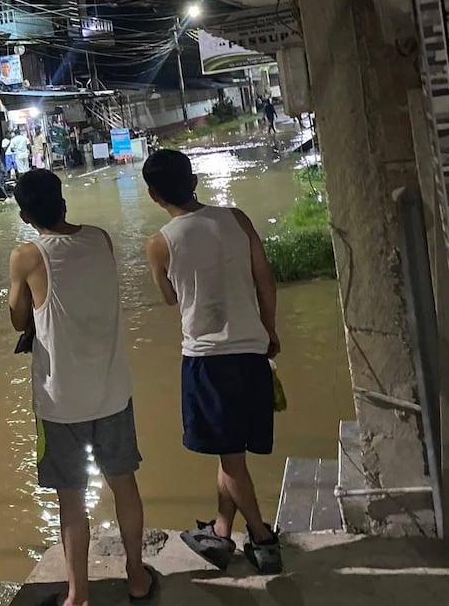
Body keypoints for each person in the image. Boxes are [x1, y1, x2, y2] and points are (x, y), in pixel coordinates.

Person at [7, 169, 157, 605]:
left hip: (60, 402)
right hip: (112, 391)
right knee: (124, 484)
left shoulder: (27, 256)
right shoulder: (101, 239)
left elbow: (19, 319)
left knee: (71, 500)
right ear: (63, 202)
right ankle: (136, 576)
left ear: (23, 214)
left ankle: (78, 595)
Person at [141, 148, 282, 575]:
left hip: (207, 361)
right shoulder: (237, 219)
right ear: (194, 181)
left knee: (231, 458)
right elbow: (265, 280)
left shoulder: (160, 244)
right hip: (252, 352)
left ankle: (262, 538)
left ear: (153, 195)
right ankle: (221, 531)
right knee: (231, 452)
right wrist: (270, 330)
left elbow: (170, 298)